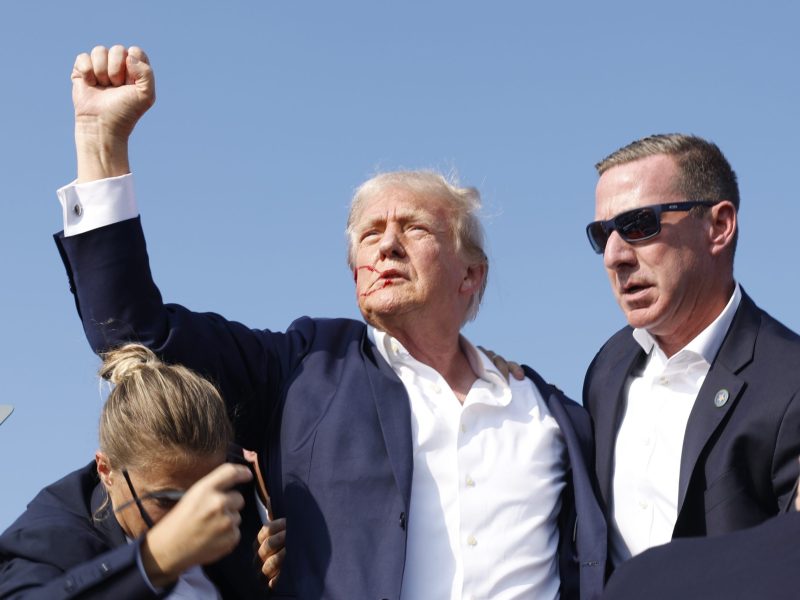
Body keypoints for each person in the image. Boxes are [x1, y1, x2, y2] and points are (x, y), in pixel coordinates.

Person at [53, 45, 607, 599]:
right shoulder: (302, 369)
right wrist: (102, 144)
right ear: (355, 274)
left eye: (414, 228)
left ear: (471, 276)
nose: (387, 243)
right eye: (369, 233)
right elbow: (136, 335)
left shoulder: (554, 413)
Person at [583, 133, 800, 568]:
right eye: (602, 233)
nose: (614, 256)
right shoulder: (606, 370)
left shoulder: (790, 382)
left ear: (718, 227)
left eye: (638, 224)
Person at [0, 344, 283, 599]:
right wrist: (154, 560)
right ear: (106, 470)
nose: (194, 515)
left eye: (206, 493)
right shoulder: (49, 541)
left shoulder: (245, 489)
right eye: (165, 499)